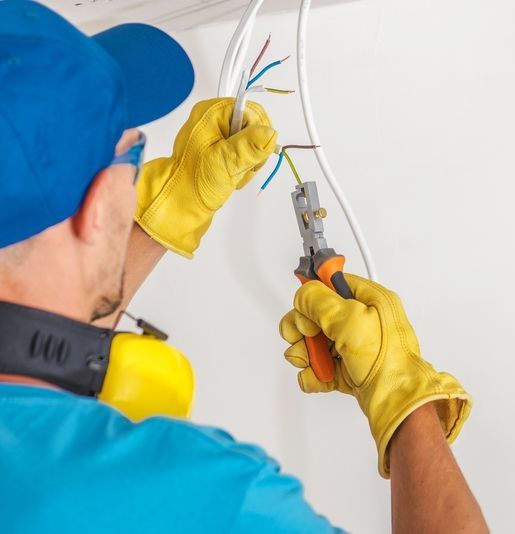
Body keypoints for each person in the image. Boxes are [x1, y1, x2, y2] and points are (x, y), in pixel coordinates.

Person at [0, 2, 488, 532]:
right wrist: (408, 401)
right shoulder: (198, 496)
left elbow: (32, 327)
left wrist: (167, 214)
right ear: (97, 209)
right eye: (131, 156)